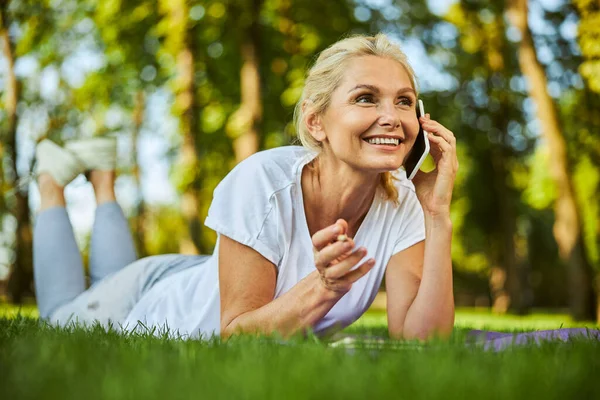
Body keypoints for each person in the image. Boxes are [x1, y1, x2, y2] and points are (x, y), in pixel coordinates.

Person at [33, 33, 458, 340]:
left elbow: (422, 338)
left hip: (208, 275)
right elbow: (235, 335)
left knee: (103, 280)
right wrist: (325, 286)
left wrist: (437, 217)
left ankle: (103, 179)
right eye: (366, 98)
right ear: (316, 122)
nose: (392, 116)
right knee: (58, 321)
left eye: (404, 101)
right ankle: (51, 182)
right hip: (159, 301)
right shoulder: (263, 181)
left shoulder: (403, 200)